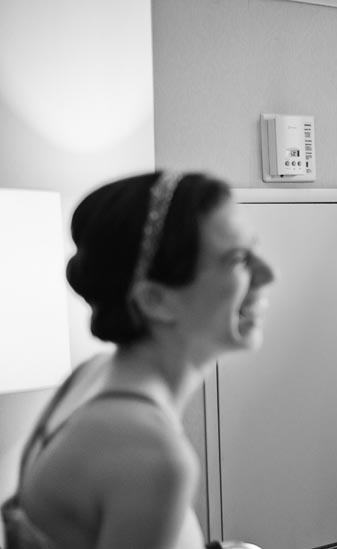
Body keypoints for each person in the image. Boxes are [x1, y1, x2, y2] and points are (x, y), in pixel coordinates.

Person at [2, 171, 274, 549]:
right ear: (155, 300)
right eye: (238, 259)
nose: (266, 275)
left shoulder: (90, 377)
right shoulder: (152, 454)